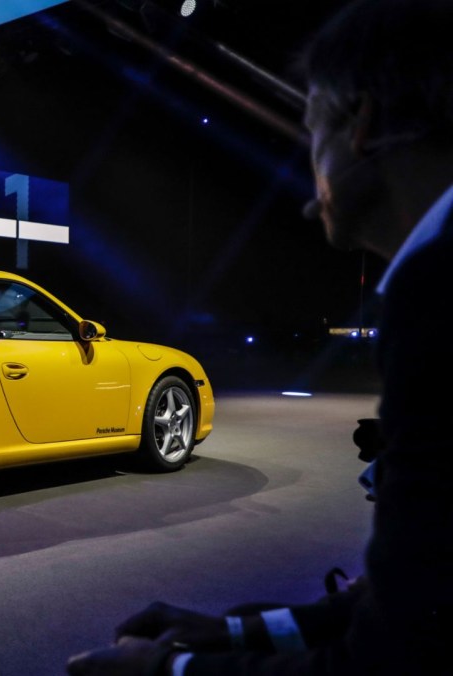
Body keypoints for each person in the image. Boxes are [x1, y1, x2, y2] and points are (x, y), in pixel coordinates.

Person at [66, 2, 453, 674]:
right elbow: (420, 602)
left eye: (313, 135)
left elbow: (392, 656)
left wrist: (170, 670)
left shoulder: (438, 291)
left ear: (359, 124)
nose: (313, 176)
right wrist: (235, 633)